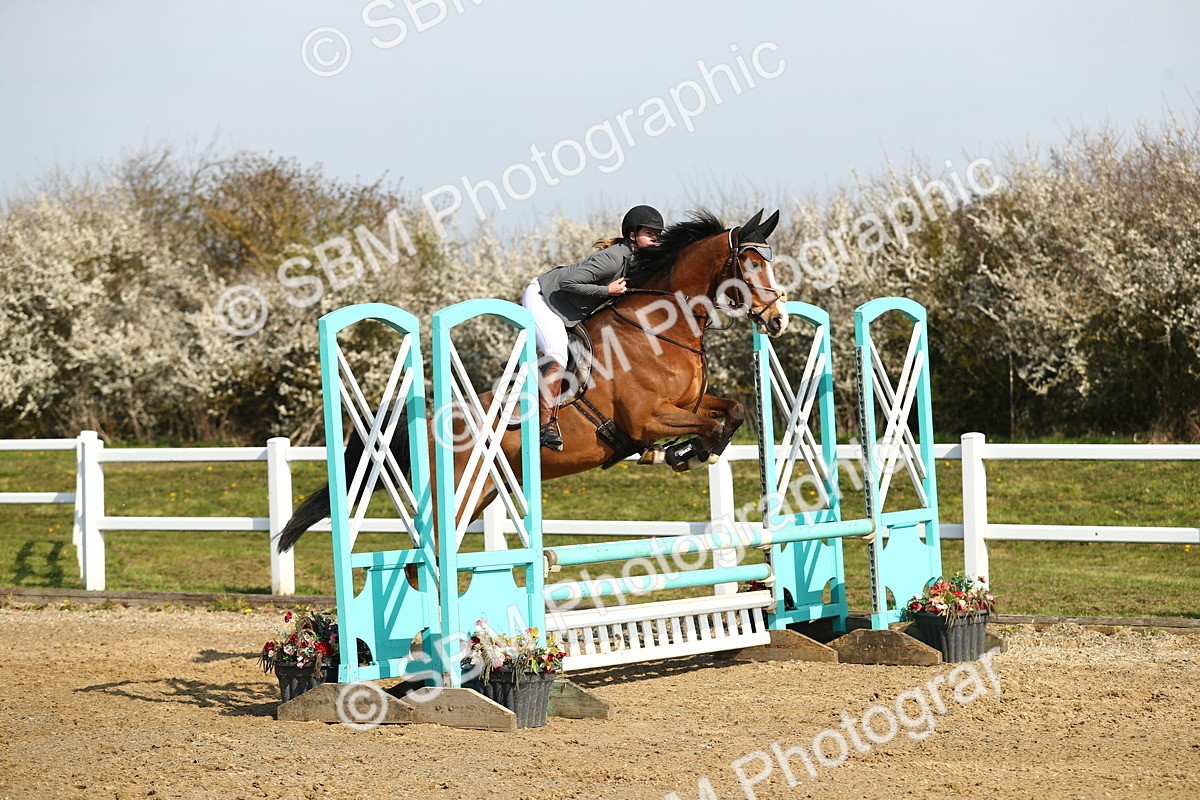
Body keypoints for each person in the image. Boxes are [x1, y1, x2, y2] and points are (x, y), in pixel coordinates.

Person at [522, 204, 664, 451]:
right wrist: (607, 290)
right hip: (544, 299)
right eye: (649, 233)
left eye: (657, 234)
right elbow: (567, 282)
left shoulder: (632, 261)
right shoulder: (612, 259)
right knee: (557, 356)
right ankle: (545, 426)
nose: (655, 238)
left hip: (567, 309)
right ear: (632, 235)